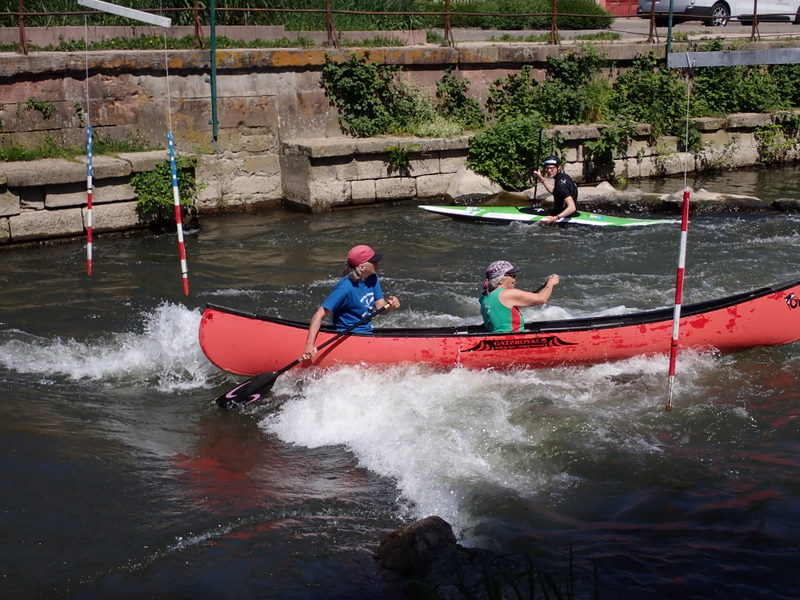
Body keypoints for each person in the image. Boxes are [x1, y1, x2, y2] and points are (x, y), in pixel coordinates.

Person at [302, 244, 400, 360]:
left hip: (367, 334)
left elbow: (381, 309)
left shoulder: (373, 279)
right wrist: (309, 345)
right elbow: (319, 315)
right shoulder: (345, 287)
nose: (377, 262)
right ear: (362, 267)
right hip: (348, 337)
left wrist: (390, 305)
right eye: (373, 261)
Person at [479, 260, 560, 333]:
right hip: (511, 338)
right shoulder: (508, 294)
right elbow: (542, 298)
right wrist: (551, 283)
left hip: (496, 338)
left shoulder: (484, 298)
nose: (515, 278)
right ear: (501, 280)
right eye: (512, 275)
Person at [532, 155, 578, 224]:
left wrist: (555, 218)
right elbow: (556, 192)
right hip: (564, 213)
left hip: (563, 216)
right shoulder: (563, 177)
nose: (549, 171)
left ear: (558, 167)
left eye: (552, 168)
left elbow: (572, 207)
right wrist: (541, 178)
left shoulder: (561, 185)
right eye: (547, 168)